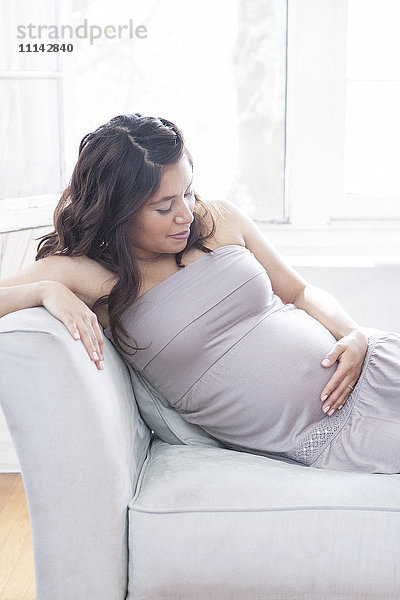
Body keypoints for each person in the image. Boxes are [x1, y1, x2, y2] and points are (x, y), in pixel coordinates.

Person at [1, 113, 399, 474]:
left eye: (188, 193)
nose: (186, 214)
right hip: (322, 436)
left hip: (375, 366)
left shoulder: (218, 219)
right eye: (163, 206)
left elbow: (299, 291)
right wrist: (44, 289)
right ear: (118, 210)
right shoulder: (87, 275)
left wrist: (353, 334)